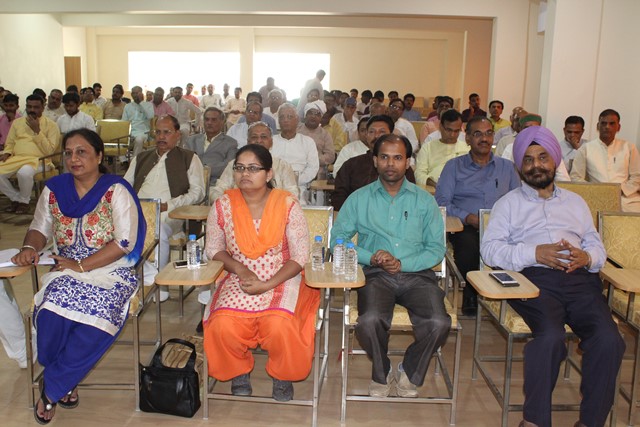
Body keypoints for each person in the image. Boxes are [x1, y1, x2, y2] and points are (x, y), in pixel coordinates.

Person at [480, 125, 625, 427]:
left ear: (555, 161)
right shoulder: (508, 204)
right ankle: (534, 421)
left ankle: (591, 422)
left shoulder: (575, 202)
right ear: (520, 166)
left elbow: (594, 243)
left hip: (580, 280)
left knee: (609, 339)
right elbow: (491, 251)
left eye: (542, 157)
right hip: (534, 282)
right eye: (529, 160)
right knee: (550, 338)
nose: (536, 166)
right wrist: (534, 253)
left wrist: (588, 257)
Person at [12, 128, 146, 424]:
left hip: (111, 272)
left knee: (97, 319)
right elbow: (39, 228)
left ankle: (52, 389)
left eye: (82, 152)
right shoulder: (55, 189)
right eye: (69, 152)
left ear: (99, 156)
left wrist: (82, 265)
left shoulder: (116, 189)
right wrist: (28, 247)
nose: (74, 158)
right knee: (51, 313)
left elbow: (124, 242)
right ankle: (65, 380)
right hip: (65, 269)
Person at [331, 133, 449, 398]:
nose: (391, 164)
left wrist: (403, 263)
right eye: (384, 157)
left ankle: (410, 368)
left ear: (408, 162)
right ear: (375, 161)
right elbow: (337, 240)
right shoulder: (359, 199)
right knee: (369, 320)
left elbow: (436, 249)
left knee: (439, 322)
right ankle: (381, 370)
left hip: (418, 275)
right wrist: (370, 256)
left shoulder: (424, 200)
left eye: (398, 158)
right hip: (375, 274)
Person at [203, 144, 319, 402]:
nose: (245, 173)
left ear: (268, 173)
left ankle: (282, 375)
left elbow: (300, 257)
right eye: (240, 168)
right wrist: (240, 269)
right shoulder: (223, 205)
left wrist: (268, 284)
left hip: (282, 276)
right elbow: (214, 248)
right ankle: (238, 372)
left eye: (253, 168)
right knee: (222, 323)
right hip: (238, 274)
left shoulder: (287, 204)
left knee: (279, 323)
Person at [435, 116, 520, 316]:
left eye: (489, 133)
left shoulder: (507, 167)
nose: (484, 138)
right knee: (469, 247)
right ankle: (472, 293)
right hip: (466, 227)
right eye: (478, 134)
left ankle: (508, 294)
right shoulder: (453, 166)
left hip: (502, 226)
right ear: (468, 139)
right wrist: (468, 217)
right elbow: (442, 202)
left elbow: (519, 201)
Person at [124, 115, 205, 301]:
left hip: (172, 214)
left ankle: (158, 282)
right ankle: (133, 277)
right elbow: (124, 186)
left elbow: (198, 193)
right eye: (158, 132)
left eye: (166, 132)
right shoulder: (141, 158)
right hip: (138, 211)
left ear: (177, 135)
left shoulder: (189, 158)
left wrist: (171, 204)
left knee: (156, 229)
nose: (161, 137)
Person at [332, 115, 416, 211]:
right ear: (366, 135)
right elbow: (339, 197)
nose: (376, 136)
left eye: (382, 132)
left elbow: (409, 200)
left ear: (391, 135)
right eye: (371, 132)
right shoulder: (351, 165)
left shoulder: (401, 167)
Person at [0, 94, 60, 214]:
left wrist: (37, 131)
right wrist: (7, 152)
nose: (32, 110)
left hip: (41, 160)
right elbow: (10, 143)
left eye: (36, 107)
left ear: (43, 107)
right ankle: (16, 198)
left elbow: (50, 151)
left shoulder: (51, 125)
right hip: (17, 159)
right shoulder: (17, 123)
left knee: (24, 172)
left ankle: (24, 202)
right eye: (29, 106)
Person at [570, 109, 640, 212]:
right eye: (603, 123)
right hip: (596, 197)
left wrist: (620, 190)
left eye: (612, 124)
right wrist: (596, 190)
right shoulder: (586, 149)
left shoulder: (629, 147)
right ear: (598, 126)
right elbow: (575, 177)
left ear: (618, 127)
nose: (607, 127)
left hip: (625, 198)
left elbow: (636, 177)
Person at [211, 121, 299, 201]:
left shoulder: (282, 166)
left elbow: (293, 194)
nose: (259, 140)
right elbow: (218, 190)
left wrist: (272, 206)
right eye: (254, 137)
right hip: (237, 211)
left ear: (271, 142)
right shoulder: (235, 165)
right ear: (248, 141)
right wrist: (229, 204)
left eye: (263, 137)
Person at [185, 107, 238, 187]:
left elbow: (227, 168)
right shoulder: (191, 140)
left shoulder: (231, 143)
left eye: (214, 120)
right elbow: (184, 163)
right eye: (207, 119)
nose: (209, 123)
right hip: (190, 183)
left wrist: (201, 169)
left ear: (222, 122)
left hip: (214, 185)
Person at [415, 109, 467, 186]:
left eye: (456, 131)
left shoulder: (467, 148)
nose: (452, 135)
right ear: (440, 127)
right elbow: (419, 174)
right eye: (449, 130)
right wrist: (436, 185)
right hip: (433, 190)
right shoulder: (428, 147)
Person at [121, 85, 155, 157]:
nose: (135, 95)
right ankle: (124, 161)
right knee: (119, 137)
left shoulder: (148, 105)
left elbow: (150, 116)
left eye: (137, 93)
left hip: (143, 132)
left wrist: (141, 102)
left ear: (142, 94)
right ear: (131, 95)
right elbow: (124, 122)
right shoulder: (128, 106)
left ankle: (135, 162)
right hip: (131, 132)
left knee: (139, 139)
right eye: (134, 93)